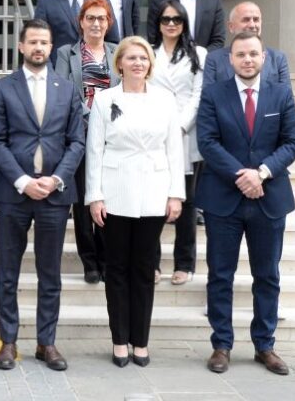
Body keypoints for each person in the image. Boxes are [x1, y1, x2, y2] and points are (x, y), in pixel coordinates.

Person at [196, 31, 295, 376]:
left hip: (269, 199)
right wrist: (242, 176)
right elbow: (207, 142)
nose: (247, 60)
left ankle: (265, 345)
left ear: (264, 57)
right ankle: (221, 345)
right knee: (220, 275)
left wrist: (262, 173)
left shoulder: (281, 94)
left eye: (253, 54)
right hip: (223, 198)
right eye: (240, 54)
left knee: (267, 275)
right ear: (230, 59)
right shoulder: (214, 94)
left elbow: (292, 142)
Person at [0, 19, 85, 372]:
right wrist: (22, 180)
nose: (39, 47)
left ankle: (47, 342)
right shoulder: (3, 88)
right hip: (14, 193)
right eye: (33, 42)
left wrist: (56, 179)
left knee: (50, 273)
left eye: (44, 42)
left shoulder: (67, 88)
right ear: (21, 46)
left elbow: (77, 141)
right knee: (7, 271)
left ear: (51, 46)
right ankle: (8, 341)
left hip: (54, 196)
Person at [85, 35, 185, 368]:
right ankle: (119, 340)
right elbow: (95, 150)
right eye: (131, 58)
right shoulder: (104, 99)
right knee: (116, 269)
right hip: (114, 191)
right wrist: (94, 196)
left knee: (144, 269)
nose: (138, 63)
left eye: (143, 58)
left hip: (154, 190)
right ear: (120, 64)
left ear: (149, 64)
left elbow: (174, 149)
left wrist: (176, 194)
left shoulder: (164, 99)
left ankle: (140, 341)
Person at [54, 0, 121, 285]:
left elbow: (125, 90)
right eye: (90, 18)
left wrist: (106, 120)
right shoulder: (65, 53)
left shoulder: (117, 51)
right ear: (81, 22)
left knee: (108, 196)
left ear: (109, 23)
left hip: (113, 136)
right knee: (82, 200)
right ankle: (89, 261)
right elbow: (63, 90)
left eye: (101, 18)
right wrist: (92, 116)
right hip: (80, 133)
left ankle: (107, 258)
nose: (96, 23)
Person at [148, 0, 207, 287]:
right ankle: (151, 263)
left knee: (187, 201)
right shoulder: (149, 52)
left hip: (186, 133)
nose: (171, 24)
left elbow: (198, 95)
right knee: (154, 200)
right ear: (158, 23)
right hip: (154, 134)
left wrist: (180, 125)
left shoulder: (199, 54)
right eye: (165, 19)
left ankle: (185, 263)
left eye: (177, 19)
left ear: (184, 23)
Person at [203, 1, 290, 88]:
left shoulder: (278, 59)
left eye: (256, 19)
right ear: (231, 26)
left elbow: (286, 94)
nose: (252, 25)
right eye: (246, 20)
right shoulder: (213, 59)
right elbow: (208, 94)